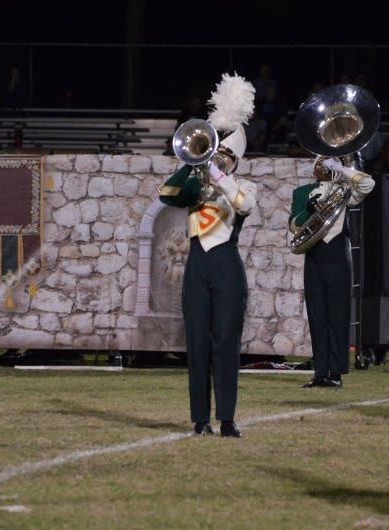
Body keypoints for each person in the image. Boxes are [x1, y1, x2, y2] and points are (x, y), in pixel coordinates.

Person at [159, 73, 257, 438]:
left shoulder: (242, 185)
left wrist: (217, 172)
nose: (221, 160)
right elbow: (166, 194)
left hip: (226, 264)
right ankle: (200, 418)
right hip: (197, 264)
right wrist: (192, 162)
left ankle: (227, 418)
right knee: (197, 343)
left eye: (227, 156)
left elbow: (244, 206)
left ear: (236, 160)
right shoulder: (196, 185)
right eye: (218, 154)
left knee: (225, 343)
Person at [289, 157, 375, 388]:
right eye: (318, 163)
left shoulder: (344, 190)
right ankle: (319, 372)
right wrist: (308, 211)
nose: (322, 166)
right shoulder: (302, 192)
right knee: (317, 316)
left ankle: (335, 373)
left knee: (338, 316)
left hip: (338, 255)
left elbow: (368, 184)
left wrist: (340, 169)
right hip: (314, 255)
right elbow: (294, 225)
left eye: (326, 163)